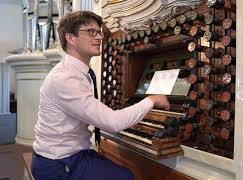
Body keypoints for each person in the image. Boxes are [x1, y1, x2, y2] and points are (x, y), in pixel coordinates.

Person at [31, 11, 170, 180]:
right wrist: (152, 99)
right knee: (125, 177)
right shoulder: (65, 78)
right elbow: (113, 122)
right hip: (57, 163)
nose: (99, 37)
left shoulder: (76, 72)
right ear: (70, 38)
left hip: (72, 154)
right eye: (91, 32)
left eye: (99, 32)